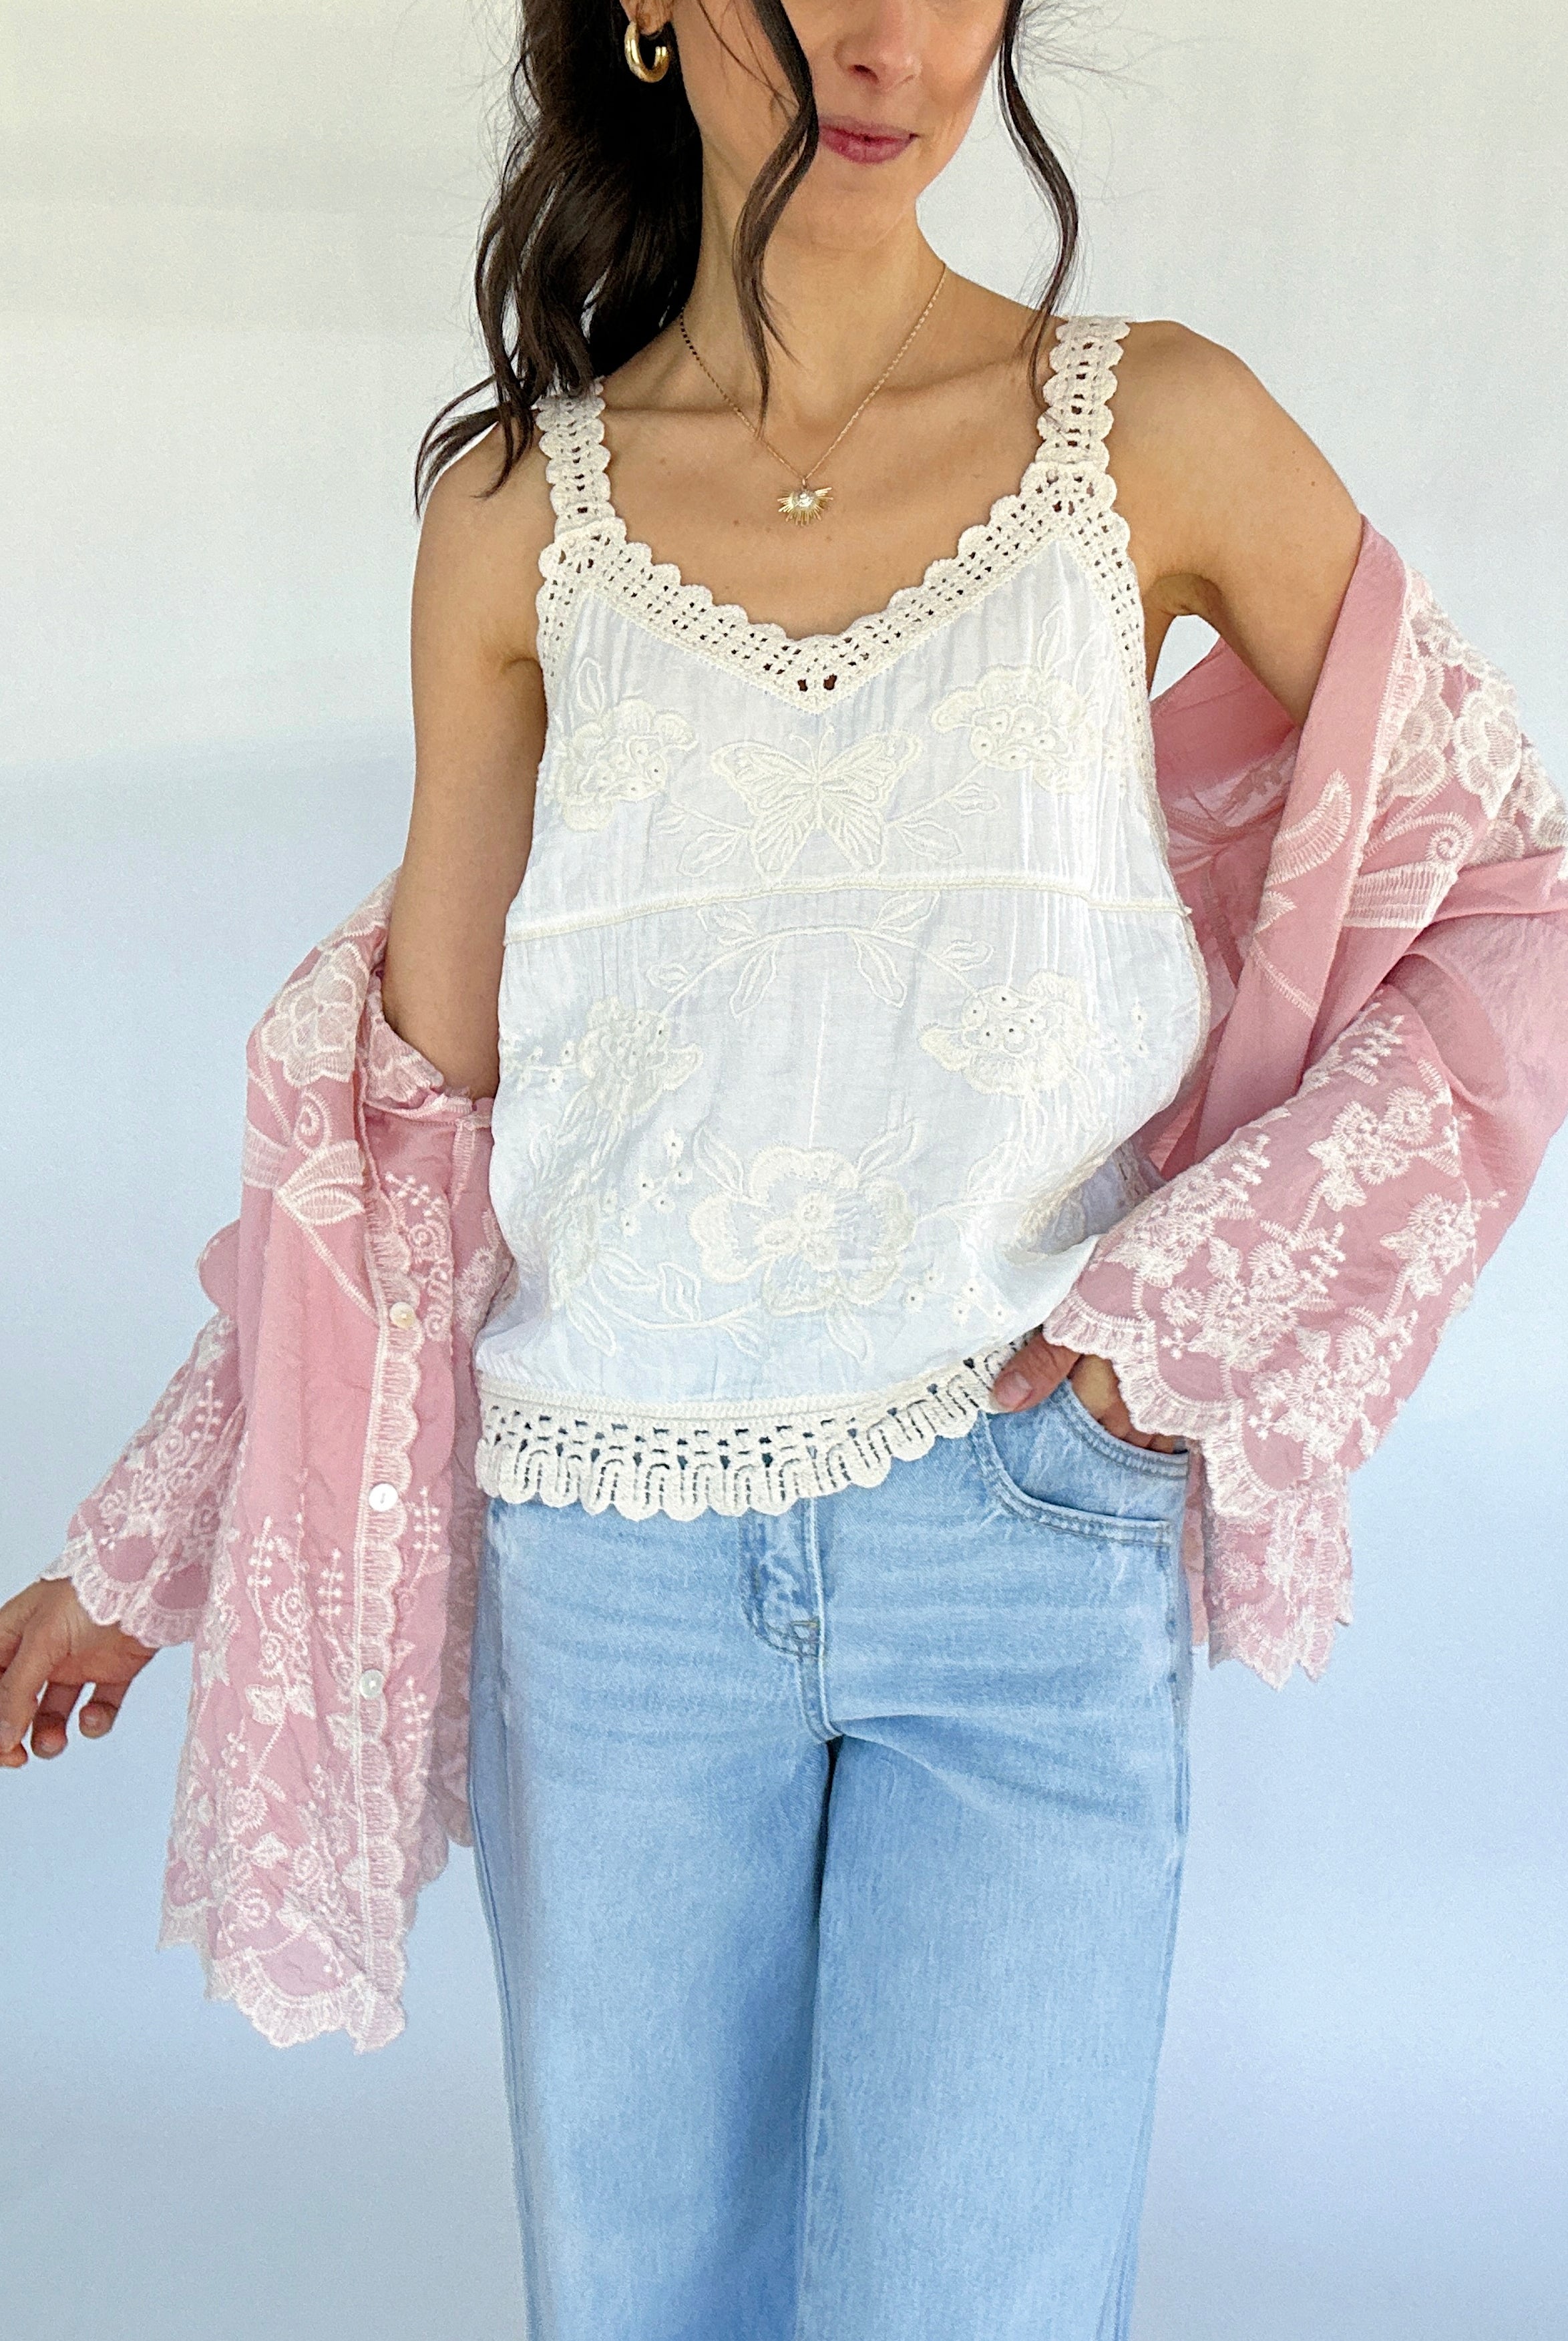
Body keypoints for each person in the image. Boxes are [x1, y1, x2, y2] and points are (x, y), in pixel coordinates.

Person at [4, 7, 1567, 2337]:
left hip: (1021, 1524)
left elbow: (1502, 896)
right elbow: (416, 1137)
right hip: (609, 1578)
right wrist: (148, 1540)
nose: (884, 36)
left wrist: (1192, 1326)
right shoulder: (517, 518)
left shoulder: (1155, 434)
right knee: (646, 2311)